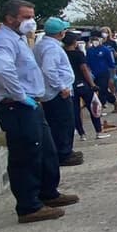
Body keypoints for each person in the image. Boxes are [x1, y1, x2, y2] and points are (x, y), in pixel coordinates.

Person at [0, 0, 80, 223]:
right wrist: (20, 96)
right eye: (26, 17)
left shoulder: (18, 39)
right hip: (16, 106)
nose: (31, 21)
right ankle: (29, 206)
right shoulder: (2, 42)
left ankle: (48, 193)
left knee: (46, 151)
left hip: (32, 104)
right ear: (10, 18)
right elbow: (2, 69)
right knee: (25, 155)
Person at [34, 17, 82, 166]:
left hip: (49, 91)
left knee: (58, 123)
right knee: (64, 123)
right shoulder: (52, 48)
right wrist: (62, 87)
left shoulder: (41, 45)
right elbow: (49, 69)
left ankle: (62, 151)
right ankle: (64, 153)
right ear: (60, 32)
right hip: (57, 92)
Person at [65, 33, 106, 140]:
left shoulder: (63, 53)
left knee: (76, 110)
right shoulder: (78, 54)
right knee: (93, 106)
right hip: (82, 83)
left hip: (70, 85)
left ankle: (82, 134)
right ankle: (98, 131)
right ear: (74, 42)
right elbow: (84, 69)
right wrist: (92, 84)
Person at [86, 33, 117, 112]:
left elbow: (111, 63)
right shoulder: (89, 50)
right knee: (101, 90)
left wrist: (113, 75)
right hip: (93, 74)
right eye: (93, 40)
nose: (95, 42)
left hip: (104, 73)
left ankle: (101, 108)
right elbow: (87, 62)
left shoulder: (106, 50)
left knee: (102, 90)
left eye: (96, 40)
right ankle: (115, 103)